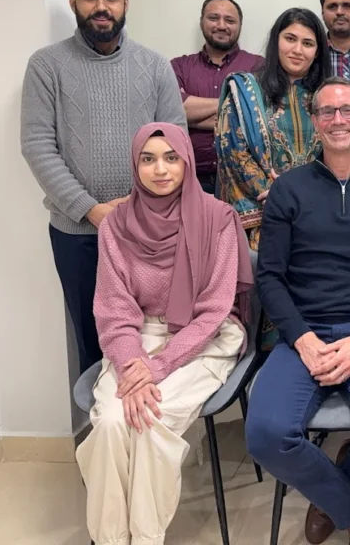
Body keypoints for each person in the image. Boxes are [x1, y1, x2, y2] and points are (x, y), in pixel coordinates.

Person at [245, 77, 350, 545]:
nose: (338, 119)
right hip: (305, 333)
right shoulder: (288, 190)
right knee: (264, 435)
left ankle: (338, 482)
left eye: (347, 110)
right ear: (314, 120)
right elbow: (270, 278)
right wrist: (302, 338)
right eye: (327, 111)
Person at [75, 122, 253, 545]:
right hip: (137, 340)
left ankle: (145, 538)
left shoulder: (218, 219)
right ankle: (110, 539)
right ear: (134, 166)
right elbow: (115, 310)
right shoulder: (116, 226)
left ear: (187, 161)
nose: (160, 169)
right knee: (111, 422)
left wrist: (158, 368)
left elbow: (213, 311)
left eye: (171, 158)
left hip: (203, 339)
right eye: (148, 159)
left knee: (149, 421)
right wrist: (133, 364)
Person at [21, 0, 186, 373]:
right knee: (93, 342)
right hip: (79, 233)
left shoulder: (154, 65)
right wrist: (90, 210)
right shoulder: (46, 65)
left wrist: (142, 211)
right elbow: (37, 146)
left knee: (153, 336)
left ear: (126, 3)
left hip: (149, 231)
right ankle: (101, 415)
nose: (101, 6)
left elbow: (175, 143)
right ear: (73, 2)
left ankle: (148, 412)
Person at [215, 7, 330, 252]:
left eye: (308, 43)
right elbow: (234, 153)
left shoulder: (329, 97)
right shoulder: (245, 91)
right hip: (263, 218)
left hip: (322, 212)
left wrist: (310, 196)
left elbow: (347, 149)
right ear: (276, 41)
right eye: (290, 39)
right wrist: (281, 197)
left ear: (318, 51)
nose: (298, 50)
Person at [171, 0, 265, 193]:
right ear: (202, 22)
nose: (221, 25)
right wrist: (237, 104)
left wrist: (193, 115)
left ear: (239, 26)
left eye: (229, 20)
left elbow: (257, 118)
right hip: (190, 181)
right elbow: (174, 110)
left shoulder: (258, 66)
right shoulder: (179, 67)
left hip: (243, 182)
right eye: (214, 18)